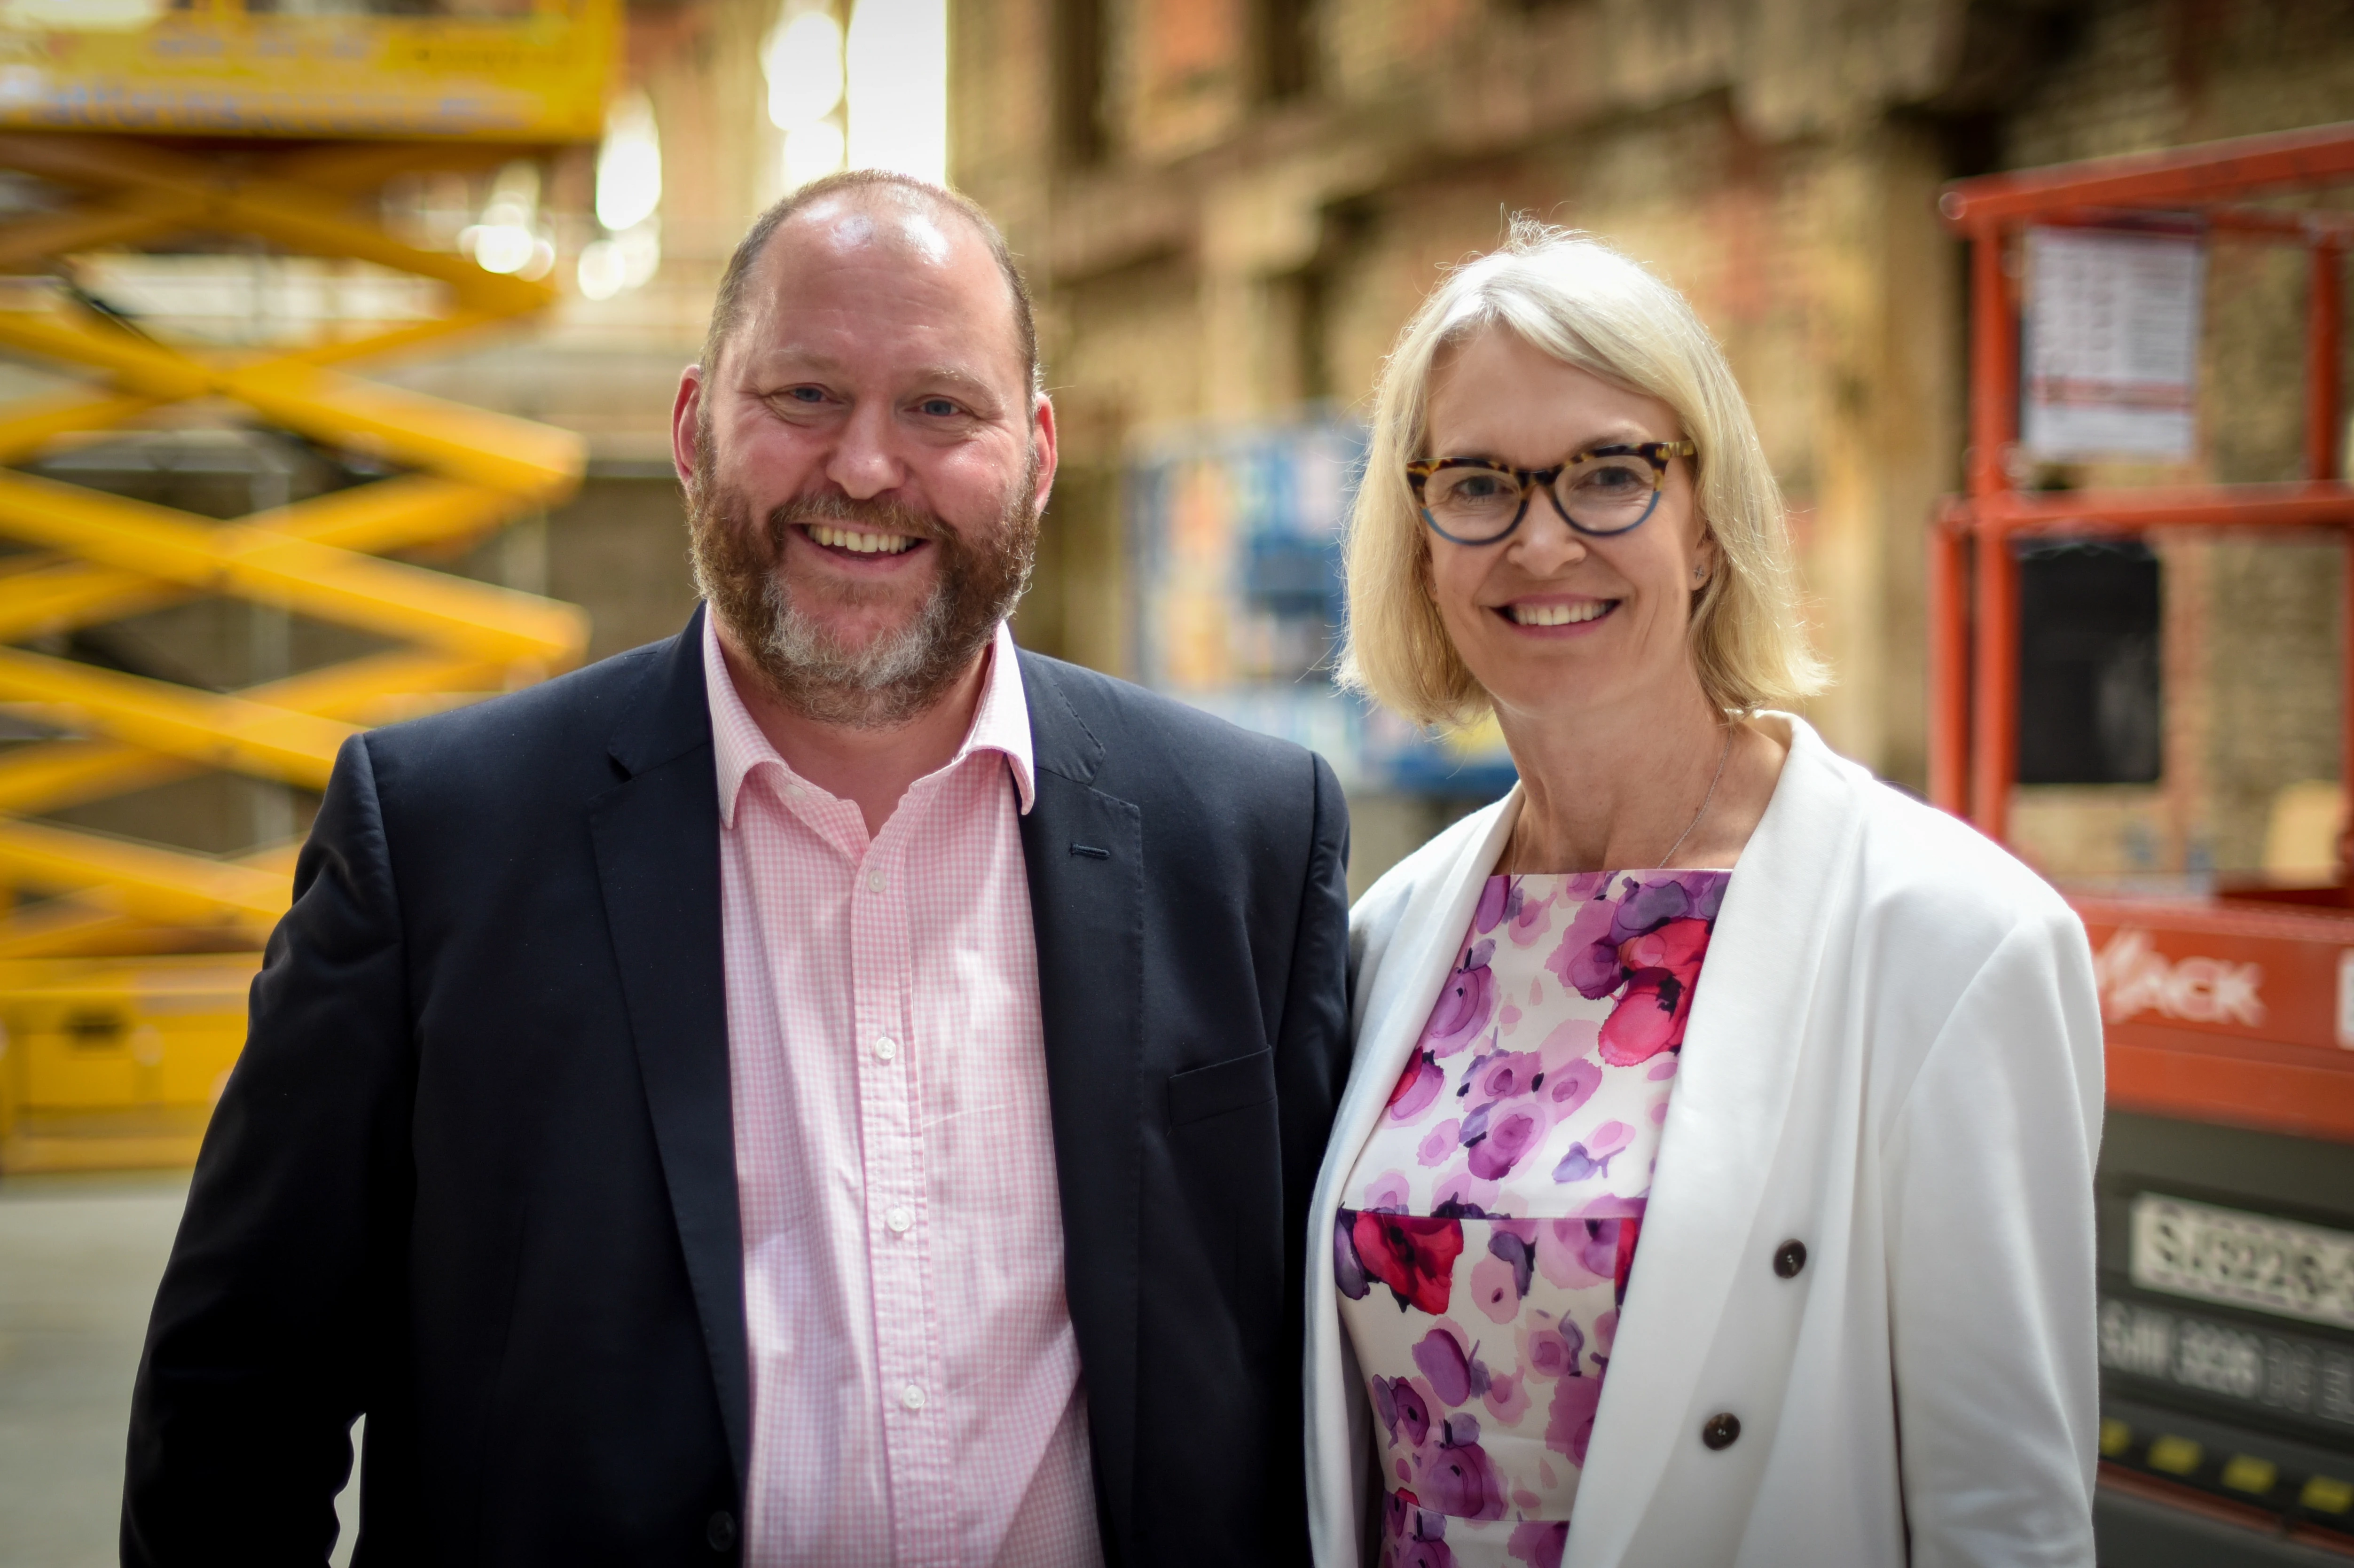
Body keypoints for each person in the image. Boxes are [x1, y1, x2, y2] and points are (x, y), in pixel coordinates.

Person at [122, 170, 1352, 1568]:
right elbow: (237, 1405)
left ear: (1040, 454)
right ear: (697, 430)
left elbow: (1326, 1381)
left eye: (942, 408)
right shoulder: (442, 844)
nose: (869, 469)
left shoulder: (1241, 838)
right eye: (806, 397)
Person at [1305, 220, 2103, 1568]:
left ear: (1710, 523)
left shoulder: (1952, 944)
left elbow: (2006, 1524)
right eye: (1480, 483)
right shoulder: (1395, 933)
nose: (1542, 541)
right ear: (1420, 537)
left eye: (1611, 473)